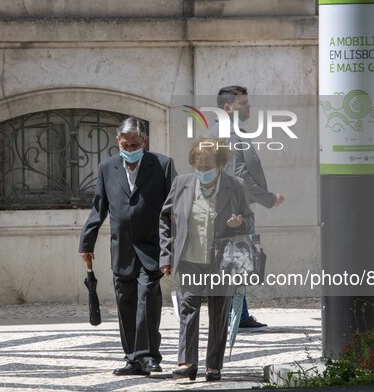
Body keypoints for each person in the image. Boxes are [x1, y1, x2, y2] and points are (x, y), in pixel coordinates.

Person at [79, 116, 176, 376]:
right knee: (126, 305)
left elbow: (173, 210)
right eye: (126, 146)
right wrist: (86, 242)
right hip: (121, 249)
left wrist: (170, 249)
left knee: (147, 301)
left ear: (145, 141)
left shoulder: (163, 165)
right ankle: (133, 358)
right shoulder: (107, 167)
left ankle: (149, 356)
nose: (130, 150)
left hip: (152, 249)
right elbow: (99, 208)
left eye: (135, 145)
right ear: (118, 142)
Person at [159, 138, 254, 381]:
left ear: (220, 163)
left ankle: (214, 365)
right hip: (190, 257)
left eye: (207, 166)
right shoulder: (182, 184)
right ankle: (187, 362)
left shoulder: (236, 185)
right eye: (198, 166)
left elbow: (249, 220)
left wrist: (239, 222)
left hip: (222, 260)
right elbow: (165, 219)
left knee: (218, 311)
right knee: (188, 306)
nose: (202, 171)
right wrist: (166, 255)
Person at [211, 85, 285, 332]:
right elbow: (240, 175)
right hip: (235, 213)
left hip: (236, 211)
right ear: (228, 108)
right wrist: (268, 198)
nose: (249, 106)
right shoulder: (229, 135)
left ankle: (238, 315)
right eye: (244, 103)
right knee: (236, 263)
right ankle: (236, 317)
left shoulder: (234, 132)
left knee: (238, 264)